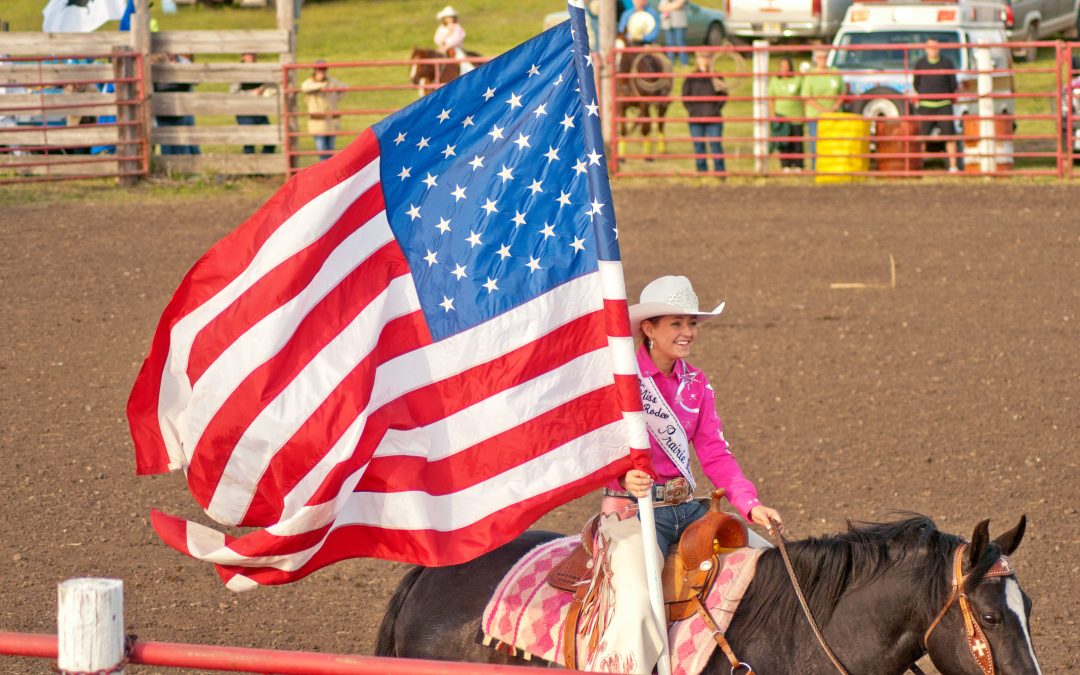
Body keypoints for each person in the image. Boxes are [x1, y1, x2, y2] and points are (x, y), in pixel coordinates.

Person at [586, 275, 784, 674]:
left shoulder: (697, 384)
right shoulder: (621, 381)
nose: (688, 332)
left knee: (769, 564)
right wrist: (623, 475)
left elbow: (715, 453)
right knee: (639, 600)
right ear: (649, 328)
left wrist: (749, 503)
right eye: (675, 323)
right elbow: (596, 442)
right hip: (630, 512)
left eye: (691, 323)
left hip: (686, 509)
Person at [913, 39, 959, 172]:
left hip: (944, 104)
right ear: (925, 49)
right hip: (926, 105)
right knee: (922, 136)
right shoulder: (920, 64)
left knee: (950, 136)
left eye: (935, 47)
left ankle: (953, 166)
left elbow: (953, 84)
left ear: (939, 48)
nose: (933, 50)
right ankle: (919, 166)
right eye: (930, 47)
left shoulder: (947, 63)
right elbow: (916, 83)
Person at [681, 51, 728, 174]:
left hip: (713, 117)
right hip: (696, 118)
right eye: (702, 57)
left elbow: (724, 94)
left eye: (707, 57)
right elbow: (685, 96)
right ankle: (702, 171)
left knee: (716, 146)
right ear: (697, 59)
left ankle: (719, 171)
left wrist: (716, 109)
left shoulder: (716, 76)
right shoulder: (691, 78)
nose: (705, 60)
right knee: (699, 146)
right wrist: (692, 110)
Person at [798, 47, 843, 170]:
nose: (822, 60)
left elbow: (842, 92)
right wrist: (823, 110)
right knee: (816, 144)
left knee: (833, 143)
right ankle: (815, 168)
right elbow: (807, 96)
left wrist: (835, 106)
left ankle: (832, 168)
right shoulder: (811, 75)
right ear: (815, 59)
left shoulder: (834, 72)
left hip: (834, 115)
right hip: (816, 116)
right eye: (819, 57)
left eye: (824, 57)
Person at [232, 52, 277, 155]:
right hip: (244, 111)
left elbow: (270, 84)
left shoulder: (260, 70)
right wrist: (251, 93)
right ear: (243, 56)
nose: (251, 57)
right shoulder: (238, 71)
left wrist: (264, 89)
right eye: (248, 54)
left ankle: (264, 162)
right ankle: (250, 167)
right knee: (249, 141)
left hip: (259, 110)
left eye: (253, 54)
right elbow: (233, 93)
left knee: (270, 139)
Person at [300, 60, 344, 161]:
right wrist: (322, 86)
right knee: (322, 151)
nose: (321, 71)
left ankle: (330, 174)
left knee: (331, 151)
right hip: (318, 122)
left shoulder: (331, 81)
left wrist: (336, 96)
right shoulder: (310, 83)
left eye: (324, 69)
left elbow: (344, 87)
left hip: (331, 121)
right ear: (314, 70)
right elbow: (304, 87)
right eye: (319, 69)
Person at [768, 56, 805, 172]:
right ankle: (786, 165)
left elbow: (803, 97)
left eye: (787, 66)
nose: (785, 69)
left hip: (796, 115)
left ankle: (798, 165)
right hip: (782, 116)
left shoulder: (797, 80)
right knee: (784, 142)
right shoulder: (775, 81)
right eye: (782, 67)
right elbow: (771, 98)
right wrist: (773, 114)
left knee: (797, 142)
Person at [433, 6, 473, 74]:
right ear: (444, 18)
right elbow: (437, 39)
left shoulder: (457, 27)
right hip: (442, 48)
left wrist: (446, 46)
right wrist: (447, 35)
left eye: (452, 17)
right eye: (448, 17)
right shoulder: (441, 28)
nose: (450, 18)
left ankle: (467, 73)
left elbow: (457, 39)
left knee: (461, 59)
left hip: (455, 49)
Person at [658, 0, 689, 67]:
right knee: (669, 43)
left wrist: (667, 7)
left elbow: (679, 5)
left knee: (680, 43)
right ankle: (670, 62)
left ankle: (684, 62)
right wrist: (673, 6)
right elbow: (660, 7)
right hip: (668, 24)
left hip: (679, 24)